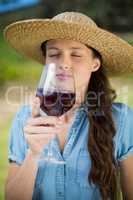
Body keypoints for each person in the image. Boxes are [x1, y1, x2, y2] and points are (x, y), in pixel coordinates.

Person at [4, 11, 133, 200]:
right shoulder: (25, 119)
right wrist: (33, 154)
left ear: (95, 64)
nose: (64, 63)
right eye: (54, 54)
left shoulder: (122, 119)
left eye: (76, 55)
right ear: (46, 62)